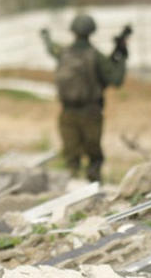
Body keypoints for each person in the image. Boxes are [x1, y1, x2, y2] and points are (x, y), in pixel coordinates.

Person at [40, 14, 129, 181]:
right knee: (94, 155)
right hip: (91, 112)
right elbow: (116, 80)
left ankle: (71, 185)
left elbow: (51, 47)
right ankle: (94, 188)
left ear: (73, 30)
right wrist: (122, 56)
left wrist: (45, 36)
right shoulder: (96, 56)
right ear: (92, 31)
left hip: (67, 111)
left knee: (70, 155)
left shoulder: (64, 53)